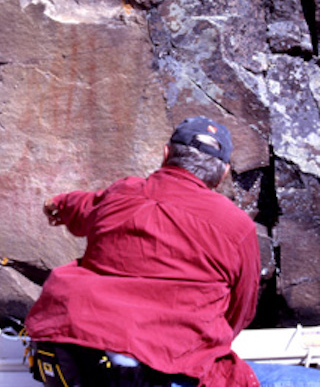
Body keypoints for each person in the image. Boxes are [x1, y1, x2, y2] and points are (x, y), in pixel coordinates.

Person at [25, 116, 320, 387]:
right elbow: (240, 313)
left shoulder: (123, 192)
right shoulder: (236, 226)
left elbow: (84, 206)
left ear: (166, 155)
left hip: (73, 345)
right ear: (223, 174)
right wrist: (201, 343)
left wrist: (58, 204)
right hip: (162, 368)